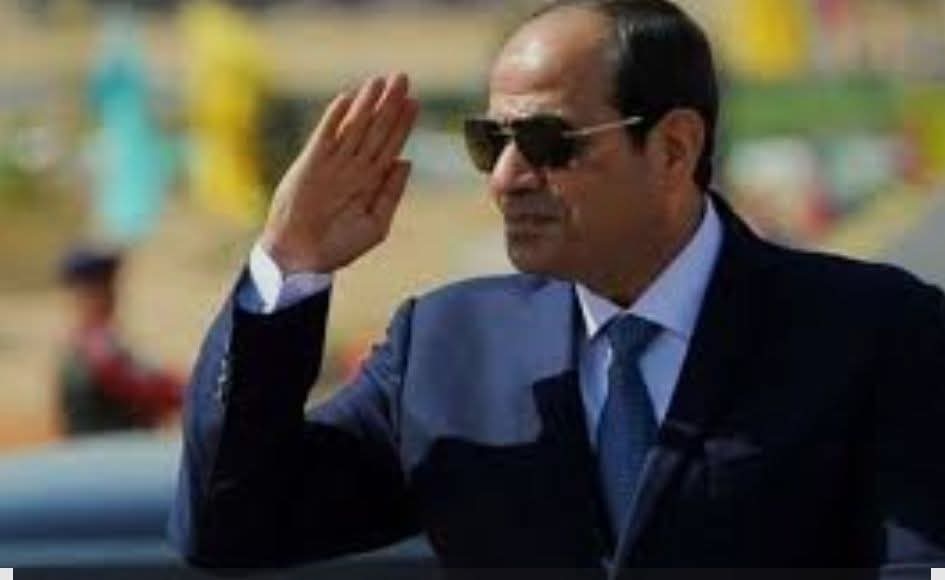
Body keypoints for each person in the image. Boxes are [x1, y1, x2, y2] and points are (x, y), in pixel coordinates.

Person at [170, 0, 945, 575]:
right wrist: (289, 263)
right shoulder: (445, 349)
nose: (506, 178)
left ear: (673, 148)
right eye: (490, 141)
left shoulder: (875, 332)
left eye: (545, 141)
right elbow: (232, 526)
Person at [57, 246, 182, 435]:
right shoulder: (98, 345)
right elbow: (141, 386)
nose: (112, 295)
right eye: (101, 288)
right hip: (110, 446)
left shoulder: (82, 342)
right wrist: (192, 391)